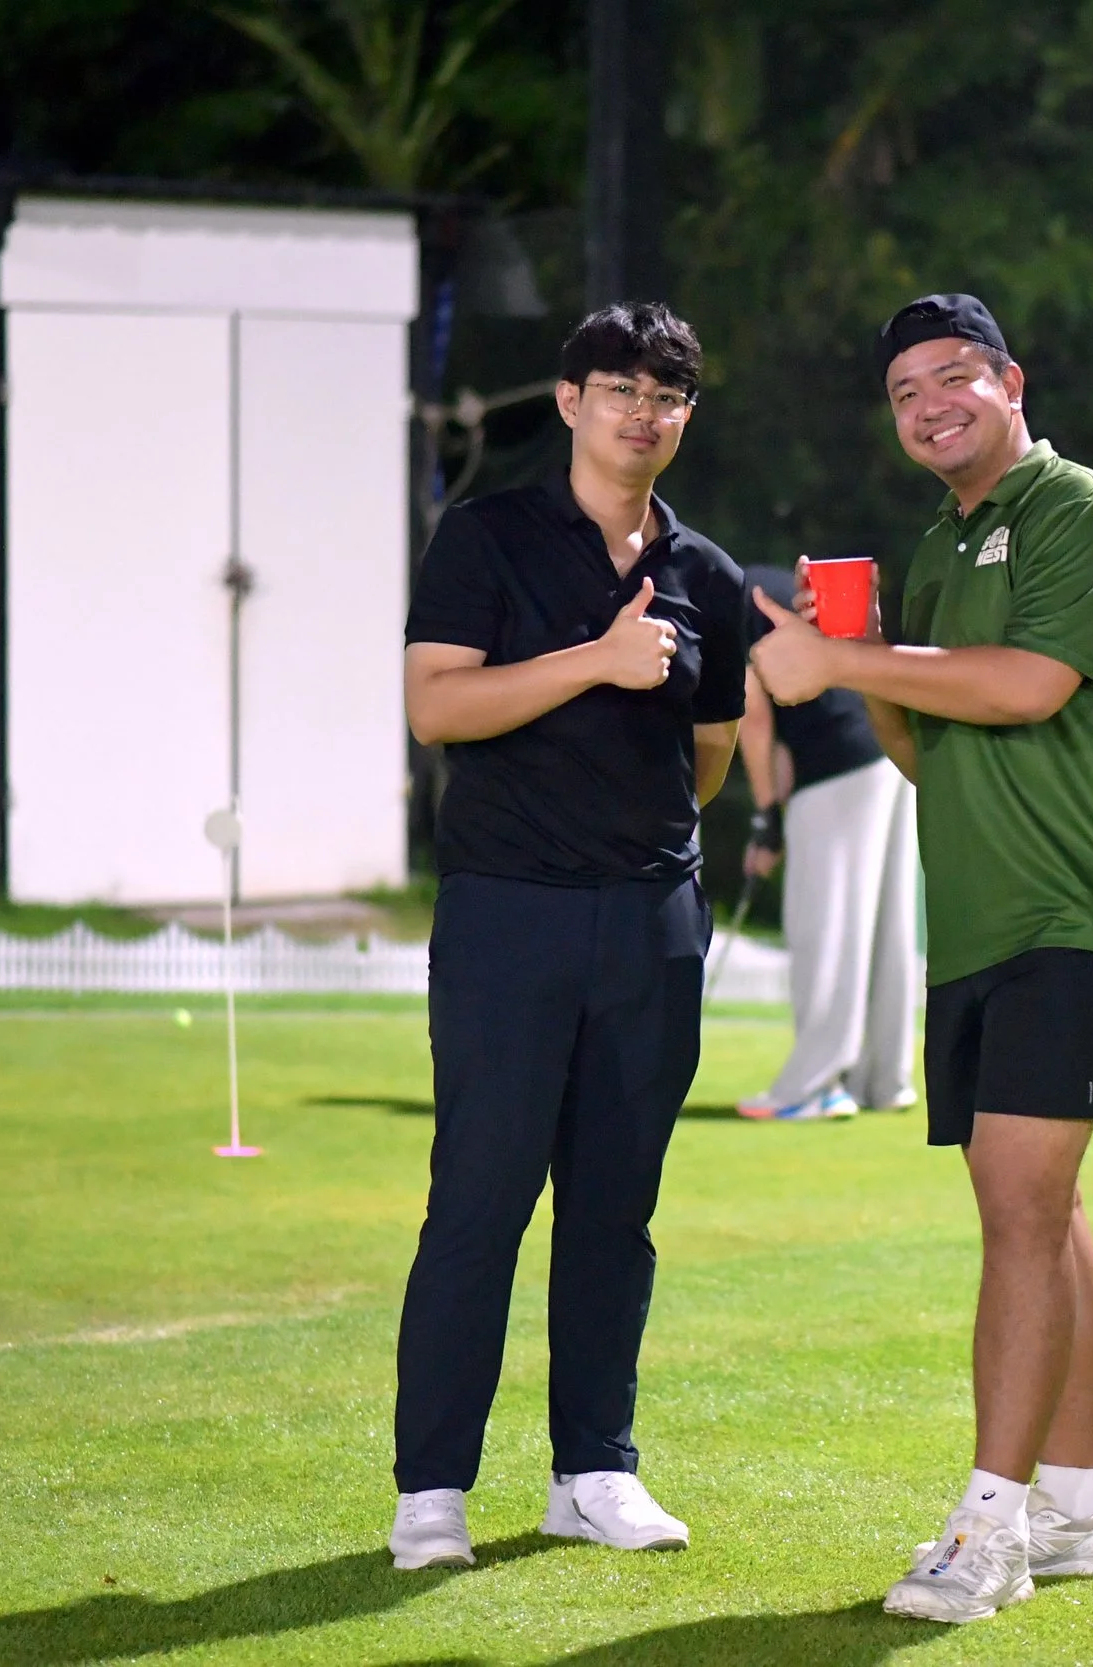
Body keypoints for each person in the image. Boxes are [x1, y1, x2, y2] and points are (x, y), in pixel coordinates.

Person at [750, 293, 1093, 1624]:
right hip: (987, 917)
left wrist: (844, 651)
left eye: (952, 378)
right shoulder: (940, 545)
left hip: (1089, 906)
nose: (929, 405)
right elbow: (922, 746)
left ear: (1009, 380)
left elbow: (1028, 683)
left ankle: (989, 1526)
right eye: (903, 393)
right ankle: (1084, 1506)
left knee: (1017, 1205)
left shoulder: (1078, 510)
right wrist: (866, 662)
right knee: (1041, 1212)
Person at [387, 302, 745, 1570]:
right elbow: (437, 706)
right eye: (622, 388)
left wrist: (636, 843)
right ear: (569, 400)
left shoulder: (705, 571)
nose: (645, 412)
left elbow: (707, 753)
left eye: (670, 395)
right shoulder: (487, 535)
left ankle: (593, 1469)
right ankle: (431, 1489)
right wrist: (592, 661)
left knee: (614, 1212)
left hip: (649, 922)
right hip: (507, 913)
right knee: (479, 1202)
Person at [732, 562, 920, 1121]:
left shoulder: (710, 600)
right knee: (887, 927)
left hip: (837, 766)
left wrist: (766, 816)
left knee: (825, 928)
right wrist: (779, 819)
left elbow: (754, 715)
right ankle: (882, 1081)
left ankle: (814, 1086)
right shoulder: (758, 583)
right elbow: (785, 739)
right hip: (886, 751)